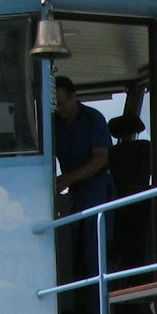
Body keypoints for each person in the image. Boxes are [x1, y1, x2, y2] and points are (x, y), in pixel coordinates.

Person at [52, 75, 116, 281]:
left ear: (73, 96)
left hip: (97, 188)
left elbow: (101, 159)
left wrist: (67, 179)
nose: (59, 110)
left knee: (95, 247)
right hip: (75, 193)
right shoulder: (53, 124)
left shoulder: (93, 119)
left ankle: (96, 305)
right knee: (73, 246)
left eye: (62, 104)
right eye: (55, 106)